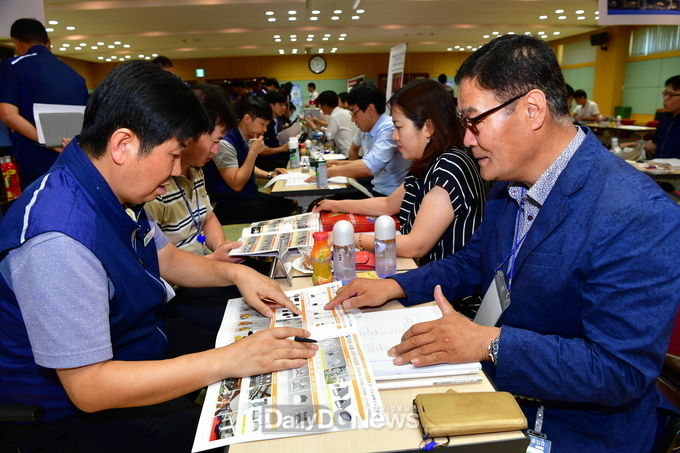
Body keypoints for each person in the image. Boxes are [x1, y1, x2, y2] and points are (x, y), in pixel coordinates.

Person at [327, 35, 680, 452]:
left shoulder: (636, 213)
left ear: (532, 110)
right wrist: (398, 285)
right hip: (500, 392)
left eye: (475, 121)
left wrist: (489, 342)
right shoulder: (508, 182)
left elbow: (618, 370)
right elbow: (477, 262)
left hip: (576, 428)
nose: (468, 138)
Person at [0, 61, 316, 453]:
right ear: (123, 145)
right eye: (172, 155)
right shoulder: (57, 238)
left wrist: (236, 276)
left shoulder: (109, 185)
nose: (178, 169)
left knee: (257, 353)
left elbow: (168, 260)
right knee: (239, 438)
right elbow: (89, 388)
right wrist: (229, 360)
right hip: (68, 415)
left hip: (138, 343)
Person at [313, 79, 484, 265]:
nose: (394, 136)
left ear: (428, 127)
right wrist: (335, 205)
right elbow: (388, 204)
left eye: (399, 127)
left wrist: (350, 239)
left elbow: (415, 245)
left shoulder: (449, 167)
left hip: (443, 286)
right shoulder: (428, 162)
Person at [144, 83, 248, 332]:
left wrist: (220, 247)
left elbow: (208, 217)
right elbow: (154, 268)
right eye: (214, 140)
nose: (216, 149)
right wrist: (214, 261)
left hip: (204, 270)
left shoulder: (196, 169)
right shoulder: (153, 185)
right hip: (179, 291)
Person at [0, 18, 88, 189]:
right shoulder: (75, 75)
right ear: (48, 43)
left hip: (36, 161)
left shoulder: (12, 66)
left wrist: (49, 140)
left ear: (16, 42)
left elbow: (7, 114)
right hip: (74, 159)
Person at [307, 81, 410, 198]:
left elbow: (368, 167)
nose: (352, 119)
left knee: (325, 204)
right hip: (375, 188)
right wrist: (337, 163)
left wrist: (329, 172)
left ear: (370, 109)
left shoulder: (389, 129)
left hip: (386, 195)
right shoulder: (367, 127)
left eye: (354, 113)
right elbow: (356, 152)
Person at [204, 95, 296, 224]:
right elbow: (236, 184)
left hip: (246, 195)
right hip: (225, 203)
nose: (264, 130)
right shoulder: (225, 143)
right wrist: (253, 152)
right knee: (280, 209)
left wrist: (269, 175)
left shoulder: (243, 136)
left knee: (285, 203)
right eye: (262, 124)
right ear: (247, 118)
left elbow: (245, 166)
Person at [304, 90, 357, 157]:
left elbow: (324, 139)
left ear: (325, 105)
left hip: (347, 154)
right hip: (356, 151)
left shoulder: (334, 116)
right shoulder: (344, 112)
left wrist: (312, 125)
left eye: (320, 105)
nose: (320, 107)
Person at [646, 75, 680, 159]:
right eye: (665, 94)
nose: (665, 98)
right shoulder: (665, 117)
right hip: (658, 167)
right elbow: (655, 144)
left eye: (671, 95)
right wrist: (628, 146)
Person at [255, 90, 290, 171]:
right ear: (271, 106)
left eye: (285, 105)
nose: (284, 108)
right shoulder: (262, 124)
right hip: (266, 165)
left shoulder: (276, 120)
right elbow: (260, 151)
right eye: (281, 105)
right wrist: (281, 148)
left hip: (276, 158)